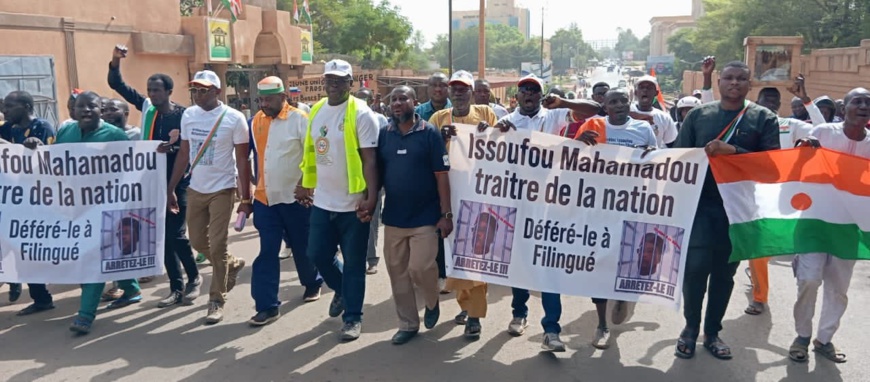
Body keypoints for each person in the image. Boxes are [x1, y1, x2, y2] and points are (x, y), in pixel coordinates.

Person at [480, 74, 600, 351]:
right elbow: (486, 152)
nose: (530, 94)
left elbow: (595, 109)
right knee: (520, 261)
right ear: (517, 96)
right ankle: (519, 313)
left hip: (550, 203)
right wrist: (493, 133)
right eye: (525, 90)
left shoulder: (555, 115)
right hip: (517, 202)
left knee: (547, 264)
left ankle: (551, 329)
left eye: (535, 90)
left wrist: (563, 101)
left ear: (541, 95)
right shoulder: (508, 122)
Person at [672, 61, 779, 360]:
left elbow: (771, 167)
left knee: (724, 274)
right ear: (719, 82)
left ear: (749, 83)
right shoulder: (698, 116)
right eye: (729, 78)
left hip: (738, 210)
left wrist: (734, 152)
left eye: (741, 78)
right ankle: (690, 328)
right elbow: (680, 159)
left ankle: (713, 333)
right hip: (700, 207)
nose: (734, 83)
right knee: (694, 271)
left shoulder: (763, 119)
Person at [107, 45, 202, 308]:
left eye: (157, 90)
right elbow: (117, 83)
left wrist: (170, 149)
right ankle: (175, 287)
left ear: (169, 91)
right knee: (162, 237)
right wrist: (116, 60)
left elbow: (188, 150)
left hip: (178, 181)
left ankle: (194, 278)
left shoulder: (184, 116)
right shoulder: (148, 109)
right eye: (149, 90)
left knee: (176, 234)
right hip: (152, 182)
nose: (151, 94)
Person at [296, 59, 380, 341]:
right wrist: (304, 183)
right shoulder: (317, 110)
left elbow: (370, 160)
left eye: (339, 80)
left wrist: (369, 198)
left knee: (355, 263)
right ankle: (343, 290)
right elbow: (311, 152)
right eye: (329, 79)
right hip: (323, 201)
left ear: (349, 83)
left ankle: (353, 318)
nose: (333, 84)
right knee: (316, 253)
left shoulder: (361, 114)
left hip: (353, 204)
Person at [787, 87, 870, 364]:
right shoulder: (823, 133)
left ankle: (824, 339)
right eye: (856, 101)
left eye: (867, 103)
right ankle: (801, 336)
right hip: (815, 221)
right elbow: (800, 165)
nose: (863, 106)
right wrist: (806, 150)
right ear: (843, 108)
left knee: (838, 289)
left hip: (849, 227)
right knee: (809, 280)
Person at [573, 88, 658, 349]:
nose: (619, 105)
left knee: (626, 260)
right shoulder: (592, 125)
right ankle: (601, 325)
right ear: (605, 106)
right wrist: (578, 143)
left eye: (623, 100)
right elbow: (570, 164)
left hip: (631, 207)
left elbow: (660, 166)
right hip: (598, 208)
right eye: (613, 102)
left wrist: (649, 155)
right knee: (598, 263)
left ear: (629, 102)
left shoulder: (643, 129)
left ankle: (622, 297)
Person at [168, 70, 251, 324]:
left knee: (217, 245)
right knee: (196, 241)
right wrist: (171, 187)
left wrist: (245, 196)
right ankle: (233, 263)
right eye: (194, 90)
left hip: (223, 189)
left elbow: (242, 159)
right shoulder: (189, 116)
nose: (197, 95)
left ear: (217, 91)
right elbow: (184, 153)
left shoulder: (234, 119)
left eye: (203, 90)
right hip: (196, 188)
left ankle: (216, 299)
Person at [58, 91, 142, 334]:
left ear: (100, 110)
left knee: (93, 258)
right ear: (73, 111)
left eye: (91, 106)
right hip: (72, 207)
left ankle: (85, 315)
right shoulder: (66, 132)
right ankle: (132, 288)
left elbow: (132, 168)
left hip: (105, 207)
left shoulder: (114, 135)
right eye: (80, 107)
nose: (85, 111)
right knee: (97, 255)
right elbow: (52, 163)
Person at [377, 86, 451, 344]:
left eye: (402, 98)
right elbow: (375, 173)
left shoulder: (429, 133)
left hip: (425, 217)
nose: (397, 103)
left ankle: (432, 302)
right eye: (393, 99)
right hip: (394, 218)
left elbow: (442, 175)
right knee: (397, 273)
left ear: (414, 102)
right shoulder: (384, 134)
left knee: (420, 268)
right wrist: (367, 201)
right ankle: (408, 324)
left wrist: (446, 214)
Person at [247, 77, 322, 326]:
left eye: (269, 99)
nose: (264, 104)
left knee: (303, 247)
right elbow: (255, 157)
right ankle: (267, 306)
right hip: (265, 199)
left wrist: (305, 184)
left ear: (283, 97)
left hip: (295, 198)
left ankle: (312, 282)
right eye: (261, 99)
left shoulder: (300, 120)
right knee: (267, 251)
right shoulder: (256, 120)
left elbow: (312, 156)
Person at [430, 70, 497, 339]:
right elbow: (427, 152)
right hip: (449, 198)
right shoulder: (438, 119)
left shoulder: (485, 114)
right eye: (454, 89)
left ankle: (474, 316)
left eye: (463, 89)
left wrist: (489, 133)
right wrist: (441, 139)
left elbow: (502, 145)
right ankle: (465, 304)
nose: (458, 93)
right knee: (456, 255)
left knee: (478, 253)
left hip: (480, 196)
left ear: (471, 91)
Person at [0, 90, 56, 313]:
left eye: (8, 107)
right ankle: (19, 282)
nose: (3, 111)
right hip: (12, 200)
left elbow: (50, 161)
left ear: (25, 106)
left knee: (30, 251)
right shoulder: (7, 128)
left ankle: (42, 298)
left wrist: (31, 147)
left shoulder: (43, 128)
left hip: (37, 201)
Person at [355, 88, 389, 275]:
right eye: (358, 98)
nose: (361, 101)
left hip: (374, 179)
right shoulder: (349, 118)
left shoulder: (380, 120)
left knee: (372, 220)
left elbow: (382, 152)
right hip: (352, 179)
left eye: (364, 99)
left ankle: (371, 259)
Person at [631, 75, 678, 148]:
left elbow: (672, 145)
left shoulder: (664, 118)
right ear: (636, 92)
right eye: (641, 87)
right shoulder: (625, 113)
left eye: (649, 88)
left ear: (656, 93)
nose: (645, 90)